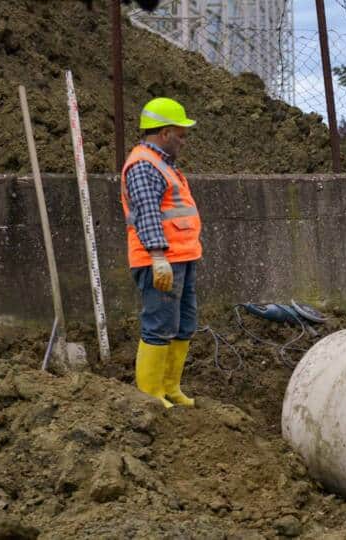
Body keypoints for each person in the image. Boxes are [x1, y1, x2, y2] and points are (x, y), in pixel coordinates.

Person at [120, 97, 201, 408]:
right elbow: (147, 214)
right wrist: (157, 257)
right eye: (181, 135)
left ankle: (170, 388)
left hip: (181, 258)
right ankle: (150, 395)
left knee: (183, 324)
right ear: (165, 133)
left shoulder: (163, 165)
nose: (184, 141)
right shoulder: (144, 165)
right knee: (159, 325)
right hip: (161, 260)